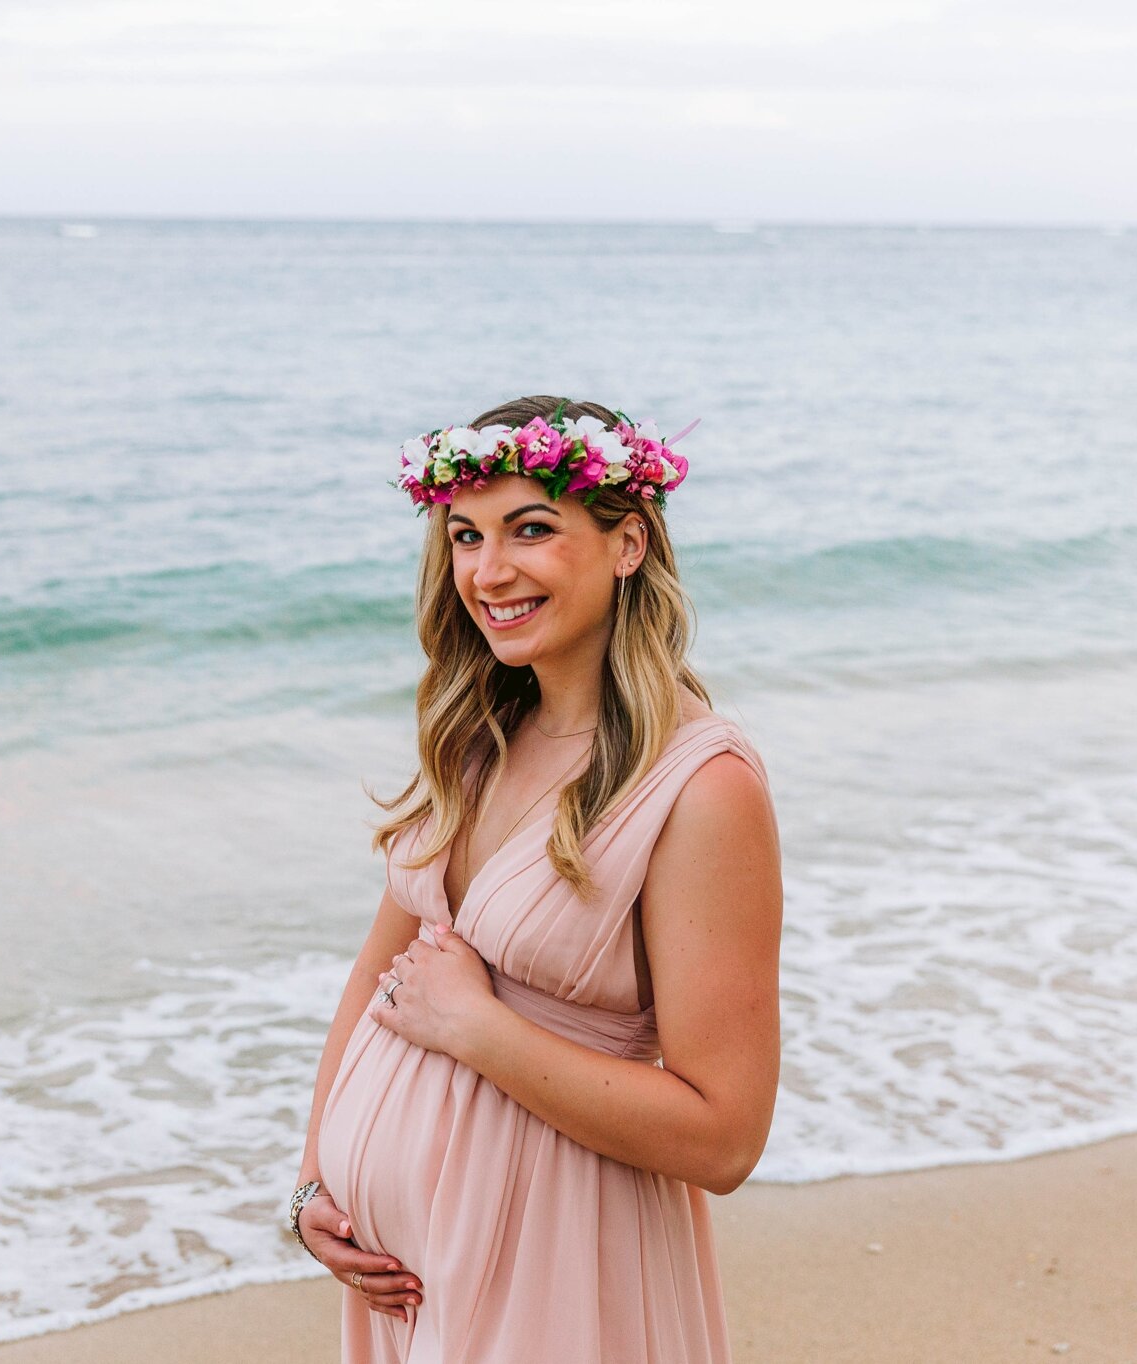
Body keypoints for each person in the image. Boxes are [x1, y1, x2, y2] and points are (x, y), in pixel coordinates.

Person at [288, 395, 784, 1363]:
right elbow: (375, 977)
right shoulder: (475, 738)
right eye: (464, 535)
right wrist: (313, 1185)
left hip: (558, 1263)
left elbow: (722, 1137)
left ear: (627, 542)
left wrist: (478, 1029)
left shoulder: (700, 786)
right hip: (409, 1276)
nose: (488, 570)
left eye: (530, 529)